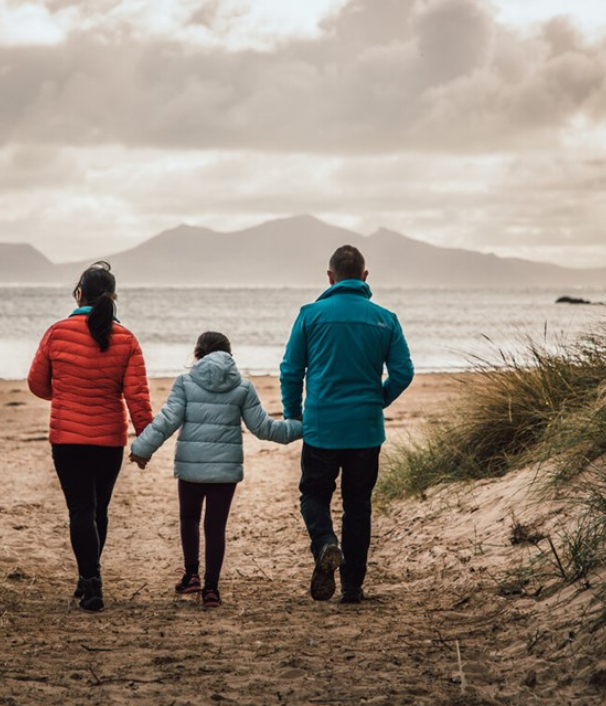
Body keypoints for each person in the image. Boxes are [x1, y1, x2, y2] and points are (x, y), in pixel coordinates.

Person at [280, 245, 414, 603]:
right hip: (366, 430)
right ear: (365, 277)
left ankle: (325, 542)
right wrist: (378, 399)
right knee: (358, 506)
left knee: (313, 494)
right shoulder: (385, 318)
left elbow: (291, 370)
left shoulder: (310, 315)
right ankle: (353, 588)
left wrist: (294, 414)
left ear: (330, 277)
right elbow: (404, 372)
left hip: (322, 426)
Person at [129, 332, 302, 608]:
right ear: (229, 354)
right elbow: (265, 428)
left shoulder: (185, 382)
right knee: (215, 527)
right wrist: (301, 427)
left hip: (191, 467)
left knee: (189, 519)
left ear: (198, 353)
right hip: (226, 469)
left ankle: (191, 576)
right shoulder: (243, 387)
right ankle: (211, 590)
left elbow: (166, 422)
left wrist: (141, 449)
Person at [27, 261, 153, 612]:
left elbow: (37, 383)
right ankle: (89, 577)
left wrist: (66, 395)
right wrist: (145, 440)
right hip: (109, 440)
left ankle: (90, 580)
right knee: (98, 509)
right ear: (113, 298)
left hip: (67, 439)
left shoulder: (57, 332)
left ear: (79, 293)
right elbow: (137, 397)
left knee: (80, 509)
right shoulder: (126, 339)